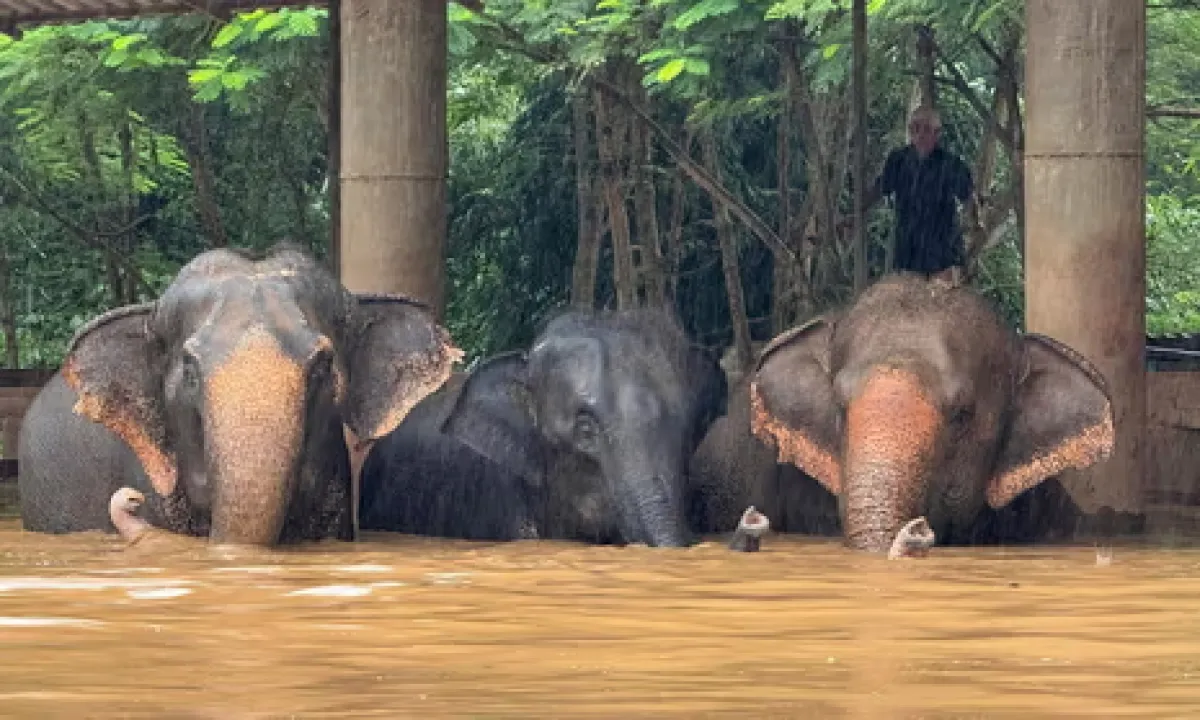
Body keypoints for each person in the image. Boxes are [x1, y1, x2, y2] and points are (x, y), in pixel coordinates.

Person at [855, 106, 975, 281]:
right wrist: (856, 212)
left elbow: (970, 200)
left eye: (926, 129)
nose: (920, 135)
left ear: (937, 133)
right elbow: (880, 189)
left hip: (942, 253)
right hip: (907, 251)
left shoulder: (952, 165)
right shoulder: (898, 160)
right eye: (914, 128)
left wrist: (971, 232)